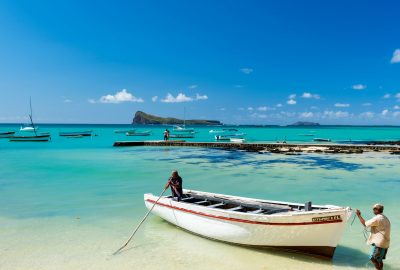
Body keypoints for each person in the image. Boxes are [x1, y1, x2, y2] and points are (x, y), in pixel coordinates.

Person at [356, 204, 391, 270]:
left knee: (373, 258)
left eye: (373, 209)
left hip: (379, 244)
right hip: (386, 243)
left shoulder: (377, 218)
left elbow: (365, 224)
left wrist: (359, 215)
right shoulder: (385, 217)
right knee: (379, 259)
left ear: (376, 210)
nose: (373, 211)